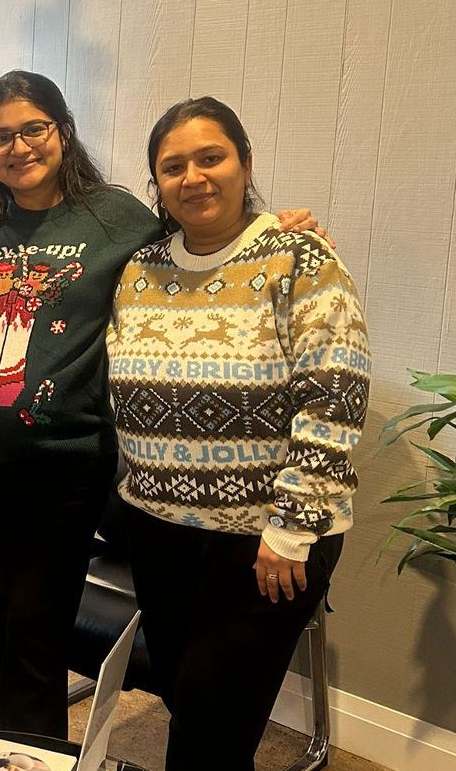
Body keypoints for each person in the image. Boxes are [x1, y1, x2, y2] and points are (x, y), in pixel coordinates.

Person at [0, 70, 325, 739]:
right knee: (2, 617)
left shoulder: (116, 217)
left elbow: (205, 236)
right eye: (0, 136)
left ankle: (31, 755)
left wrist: (279, 230)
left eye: (34, 129)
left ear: (64, 132)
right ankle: (18, 748)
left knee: (35, 627)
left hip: (67, 463)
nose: (19, 147)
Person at [107, 96, 369, 770]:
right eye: (173, 166)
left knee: (208, 728)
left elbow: (334, 398)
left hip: (266, 541)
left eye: (210, 157)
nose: (192, 177)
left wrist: (291, 529)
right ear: (157, 183)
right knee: (190, 700)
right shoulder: (139, 269)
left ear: (245, 164)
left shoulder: (299, 258)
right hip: (159, 530)